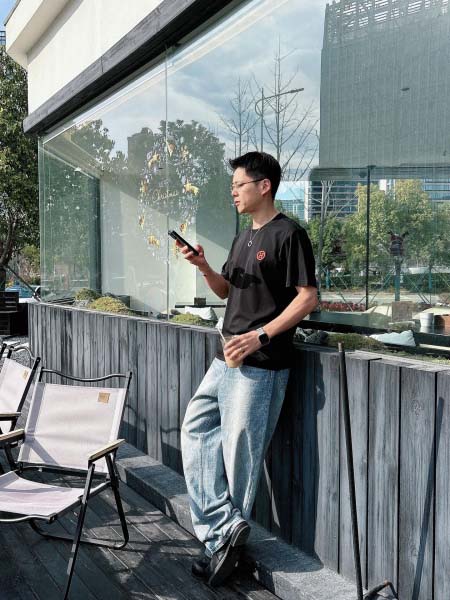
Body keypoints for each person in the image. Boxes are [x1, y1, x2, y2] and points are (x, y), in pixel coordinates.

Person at [178, 151, 317, 587]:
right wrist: (203, 267)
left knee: (240, 456)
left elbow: (308, 297)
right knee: (195, 428)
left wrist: (262, 336)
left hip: (261, 364)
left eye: (239, 185)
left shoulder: (289, 234)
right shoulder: (243, 238)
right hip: (225, 357)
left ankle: (222, 550)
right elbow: (226, 291)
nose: (233, 192)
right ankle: (223, 528)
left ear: (264, 186)